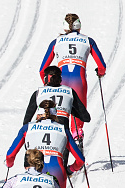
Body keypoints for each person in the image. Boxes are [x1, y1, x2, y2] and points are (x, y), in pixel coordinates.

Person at [39, 13, 106, 142]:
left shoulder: (56, 42)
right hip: (79, 82)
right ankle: (77, 139)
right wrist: (100, 73)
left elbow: (42, 70)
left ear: (65, 27)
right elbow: (102, 66)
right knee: (77, 118)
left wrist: (48, 85)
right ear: (79, 26)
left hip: (60, 82)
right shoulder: (88, 40)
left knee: (59, 119)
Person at [6, 100, 84, 188]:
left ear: (38, 114)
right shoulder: (63, 129)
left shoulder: (27, 128)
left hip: (33, 170)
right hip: (57, 169)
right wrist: (71, 169)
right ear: (55, 115)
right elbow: (80, 160)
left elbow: (10, 155)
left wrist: (9, 164)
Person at [23, 66, 90, 150]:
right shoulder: (70, 91)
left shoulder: (38, 93)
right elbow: (86, 117)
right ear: (60, 78)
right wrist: (69, 109)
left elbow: (26, 121)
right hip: (62, 135)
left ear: (46, 78)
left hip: (41, 136)